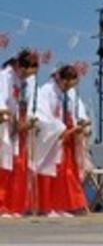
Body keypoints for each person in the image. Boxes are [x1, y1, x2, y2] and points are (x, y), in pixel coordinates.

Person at [35, 63, 92, 217]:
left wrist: (82, 123)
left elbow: (79, 113)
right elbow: (42, 115)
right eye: (66, 82)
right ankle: (47, 206)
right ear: (59, 78)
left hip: (69, 138)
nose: (68, 86)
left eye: (72, 83)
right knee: (50, 171)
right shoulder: (46, 91)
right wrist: (59, 129)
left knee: (67, 172)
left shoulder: (71, 93)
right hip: (54, 137)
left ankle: (62, 205)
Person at [0, 48, 41, 217]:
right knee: (4, 166)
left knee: (17, 167)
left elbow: (26, 105)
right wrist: (4, 113)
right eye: (26, 72)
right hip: (5, 125)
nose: (28, 76)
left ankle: (13, 205)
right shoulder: (5, 76)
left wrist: (29, 120)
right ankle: (2, 205)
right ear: (18, 65)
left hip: (17, 127)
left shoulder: (23, 81)